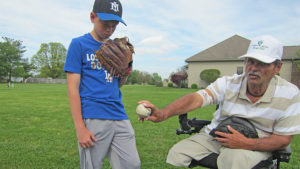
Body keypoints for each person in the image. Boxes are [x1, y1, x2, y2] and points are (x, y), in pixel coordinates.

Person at [139, 35, 300, 169]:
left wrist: (246, 143)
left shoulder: (289, 94)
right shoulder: (229, 83)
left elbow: (283, 139)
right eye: (250, 61)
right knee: (178, 152)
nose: (253, 68)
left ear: (278, 67)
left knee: (232, 160)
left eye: (262, 63)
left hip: (257, 142)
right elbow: (198, 98)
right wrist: (163, 114)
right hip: (217, 135)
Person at [64, 0, 140, 168]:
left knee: (131, 164)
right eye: (105, 24)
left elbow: (116, 85)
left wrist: (125, 72)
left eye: (114, 26)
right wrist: (80, 128)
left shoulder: (117, 48)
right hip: (93, 115)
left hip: (118, 113)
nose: (110, 30)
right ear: (92, 17)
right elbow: (72, 88)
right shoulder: (79, 44)